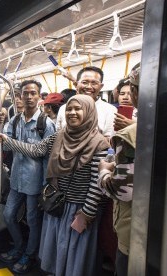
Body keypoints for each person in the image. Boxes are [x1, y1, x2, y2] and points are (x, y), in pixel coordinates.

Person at [0, 94, 110, 276]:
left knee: (74, 253)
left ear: (89, 112)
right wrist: (8, 140)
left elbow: (96, 184)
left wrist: (88, 212)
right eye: (69, 109)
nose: (72, 113)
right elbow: (36, 150)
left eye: (78, 109)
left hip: (79, 209)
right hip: (58, 205)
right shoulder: (60, 136)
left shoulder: (99, 144)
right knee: (58, 249)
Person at [0, 80, 56, 274]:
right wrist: (0, 128)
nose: (29, 97)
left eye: (33, 93)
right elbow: (4, 146)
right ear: (20, 96)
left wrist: (46, 185)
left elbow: (44, 154)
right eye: (25, 93)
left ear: (39, 97)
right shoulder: (14, 121)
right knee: (8, 215)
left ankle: (29, 255)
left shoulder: (46, 124)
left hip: (36, 182)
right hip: (16, 179)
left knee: (32, 220)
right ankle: (19, 246)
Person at [98, 63, 140, 276]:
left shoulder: (128, 135)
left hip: (135, 229)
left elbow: (122, 190)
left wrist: (104, 171)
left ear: (134, 91)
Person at [55, 66, 117, 137]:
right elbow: (58, 136)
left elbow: (109, 141)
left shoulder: (110, 111)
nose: (89, 87)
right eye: (84, 82)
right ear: (76, 84)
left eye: (94, 83)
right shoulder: (64, 108)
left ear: (101, 86)